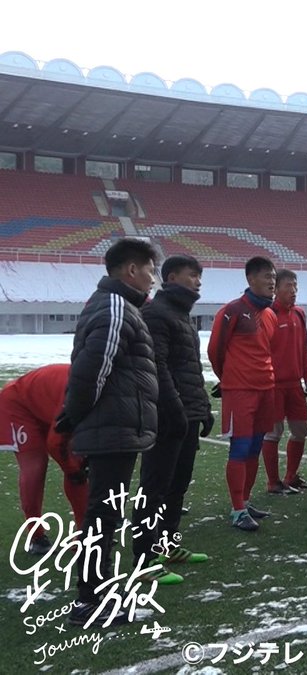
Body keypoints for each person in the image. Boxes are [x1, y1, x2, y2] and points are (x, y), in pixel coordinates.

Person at [57, 237, 159, 625]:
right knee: (104, 514)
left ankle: (97, 594)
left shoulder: (118, 305)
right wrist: (74, 412)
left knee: (104, 513)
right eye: (149, 270)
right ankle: (94, 600)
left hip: (114, 426)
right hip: (111, 428)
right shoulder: (116, 306)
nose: (153, 279)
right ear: (131, 270)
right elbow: (93, 367)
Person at [134, 255, 213, 584]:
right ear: (170, 277)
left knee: (177, 485)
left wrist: (202, 409)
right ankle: (144, 558)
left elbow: (191, 370)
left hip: (187, 415)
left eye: (199, 276)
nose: (197, 281)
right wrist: (175, 409)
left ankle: (167, 544)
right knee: (154, 487)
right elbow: (159, 366)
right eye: (191, 275)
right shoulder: (156, 313)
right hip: (166, 416)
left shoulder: (182, 315)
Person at [209, 256, 277, 531]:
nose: (271, 282)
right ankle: (237, 509)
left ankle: (245, 501)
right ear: (250, 279)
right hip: (240, 390)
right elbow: (215, 350)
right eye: (266, 277)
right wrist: (228, 378)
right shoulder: (232, 310)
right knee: (240, 447)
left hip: (266, 388)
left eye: (273, 277)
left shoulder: (270, 314)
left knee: (255, 446)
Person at [1, 364, 87, 555]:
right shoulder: (81, 392)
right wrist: (72, 469)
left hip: (50, 403)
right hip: (19, 405)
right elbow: (56, 443)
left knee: (80, 462)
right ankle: (36, 536)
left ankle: (84, 533)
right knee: (36, 467)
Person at [263, 268, 307, 495]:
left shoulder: (300, 314)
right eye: (288, 286)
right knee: (273, 433)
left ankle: (291, 476)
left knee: (301, 430)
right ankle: (273, 482)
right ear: (276, 289)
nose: (293, 291)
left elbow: (304, 350)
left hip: (294, 385)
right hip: (273, 386)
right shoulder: (268, 314)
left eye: (295, 286)